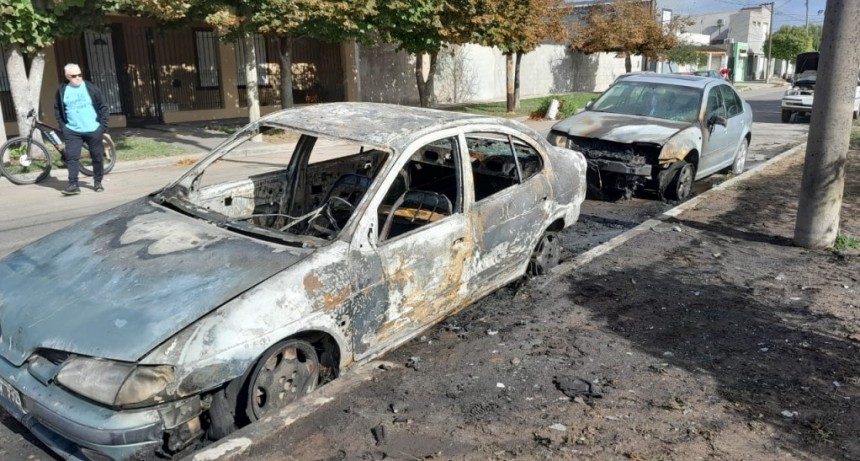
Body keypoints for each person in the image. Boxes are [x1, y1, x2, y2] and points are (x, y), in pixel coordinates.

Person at [54, 63, 109, 195]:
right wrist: (64, 127)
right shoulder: (62, 91)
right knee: (71, 157)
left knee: (97, 157)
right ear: (67, 76)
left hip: (93, 129)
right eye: (74, 76)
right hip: (73, 131)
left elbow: (103, 107)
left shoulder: (90, 88)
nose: (78, 78)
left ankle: (98, 182)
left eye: (80, 74)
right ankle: (73, 184)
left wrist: (102, 127)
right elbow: (57, 110)